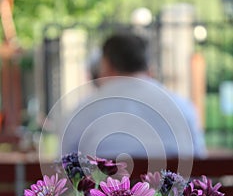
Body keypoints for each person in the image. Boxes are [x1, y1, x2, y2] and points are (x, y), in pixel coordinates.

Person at [60, 32, 206, 161]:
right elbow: (199, 160)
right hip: (170, 192)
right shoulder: (182, 106)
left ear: (106, 64)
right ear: (146, 64)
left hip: (100, 192)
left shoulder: (82, 111)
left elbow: (64, 164)